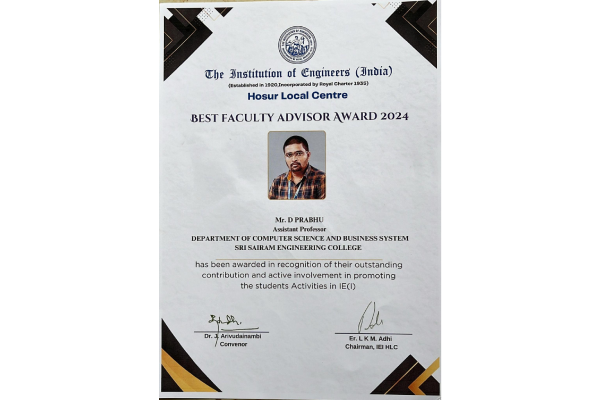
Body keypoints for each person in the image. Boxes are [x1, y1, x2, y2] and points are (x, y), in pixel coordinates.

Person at [268, 135, 326, 200]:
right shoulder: (278, 182)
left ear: (308, 155)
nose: (294, 159)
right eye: (289, 155)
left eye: (299, 154)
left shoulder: (322, 179)